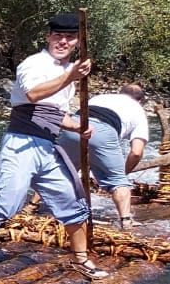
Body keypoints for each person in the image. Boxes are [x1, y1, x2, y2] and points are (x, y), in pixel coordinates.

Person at [0, 11, 107, 281]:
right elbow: (33, 95)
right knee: (8, 203)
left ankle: (81, 259)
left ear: (77, 43)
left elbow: (54, 113)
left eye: (69, 38)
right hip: (20, 144)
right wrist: (71, 76)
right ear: (49, 37)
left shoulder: (66, 71)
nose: (62, 41)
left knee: (73, 201)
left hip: (48, 147)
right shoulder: (34, 64)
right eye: (58, 36)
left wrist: (79, 127)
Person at [59, 83, 151, 228]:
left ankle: (32, 207)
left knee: (58, 170)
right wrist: (122, 173)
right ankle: (126, 221)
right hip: (104, 130)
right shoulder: (139, 111)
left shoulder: (102, 97)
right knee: (119, 182)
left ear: (120, 92)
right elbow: (136, 152)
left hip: (74, 125)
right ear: (140, 100)